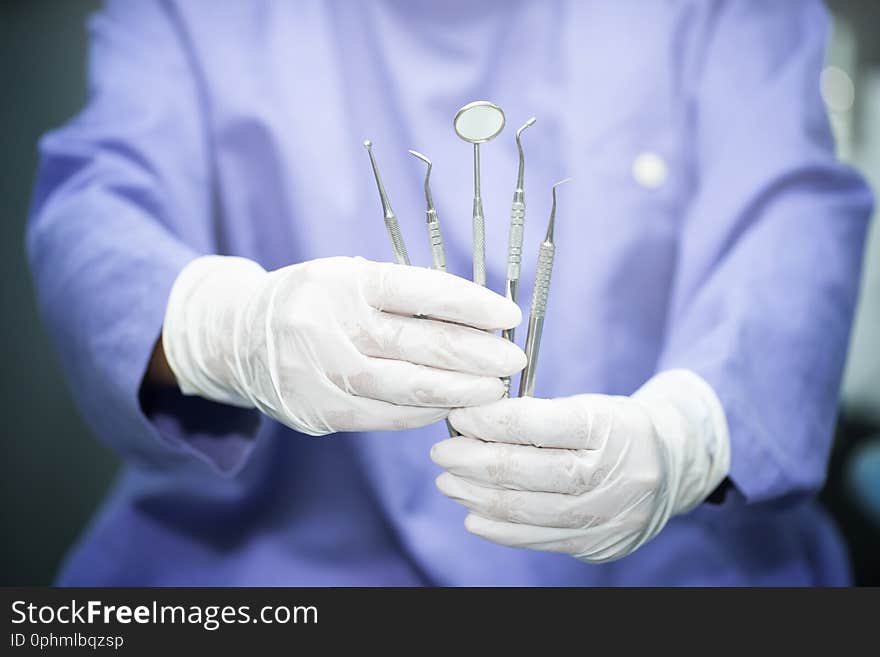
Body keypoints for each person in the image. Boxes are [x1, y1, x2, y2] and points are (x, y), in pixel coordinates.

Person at [28, 0, 872, 585]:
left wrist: (690, 433)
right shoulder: (195, 18)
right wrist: (220, 326)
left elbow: (791, 211)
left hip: (671, 571)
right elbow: (98, 203)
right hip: (266, 564)